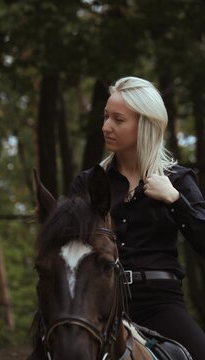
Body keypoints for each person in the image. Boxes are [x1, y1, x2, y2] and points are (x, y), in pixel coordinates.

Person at [69, 76, 205, 359]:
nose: (106, 126)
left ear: (145, 124)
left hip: (160, 302)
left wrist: (175, 200)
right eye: (106, 116)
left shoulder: (177, 179)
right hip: (100, 301)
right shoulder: (89, 184)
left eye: (118, 120)